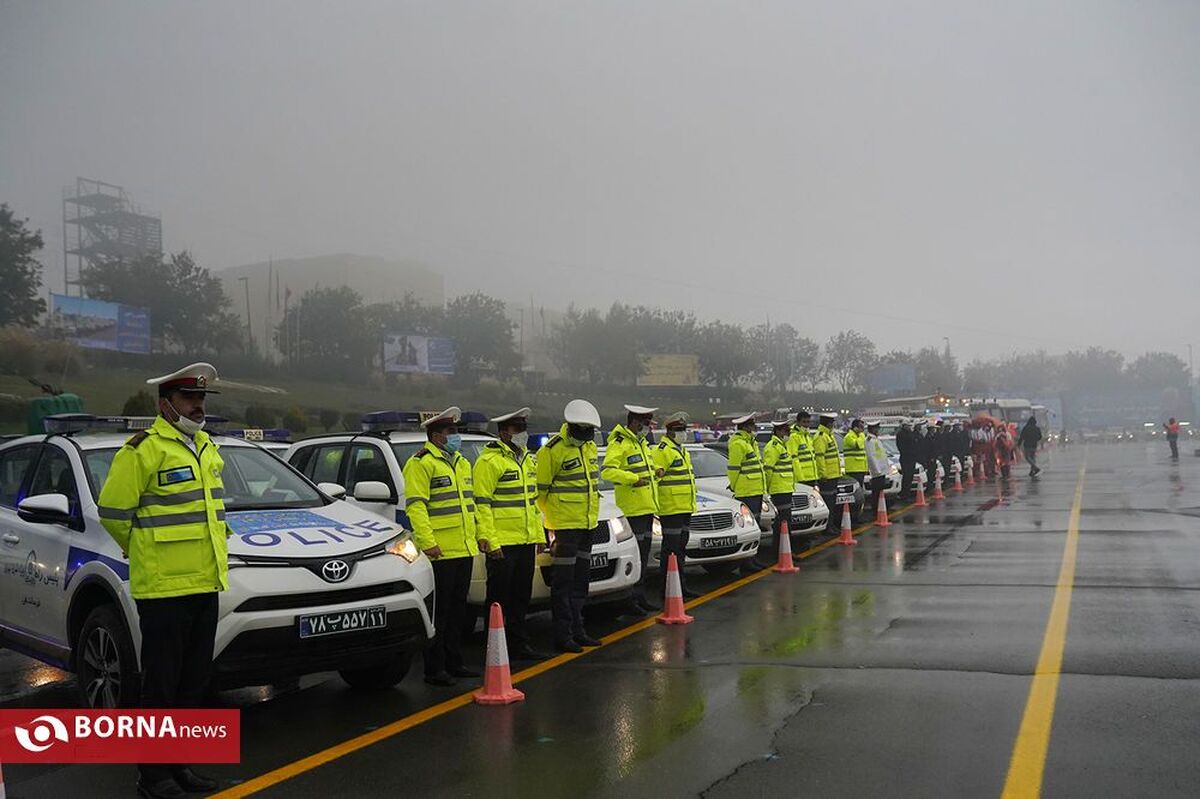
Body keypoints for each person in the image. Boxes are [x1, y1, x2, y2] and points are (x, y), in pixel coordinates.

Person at [98, 363, 227, 799]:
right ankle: (153, 778)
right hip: (164, 590)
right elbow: (114, 513)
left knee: (193, 685)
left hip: (205, 585)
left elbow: (211, 518)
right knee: (161, 688)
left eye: (202, 399)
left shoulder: (206, 447)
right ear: (165, 404)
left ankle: (179, 766)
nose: (198, 406)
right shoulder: (143, 450)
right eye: (190, 398)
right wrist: (147, 552)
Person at [403, 406, 487, 686]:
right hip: (440, 552)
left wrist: (478, 535)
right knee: (439, 612)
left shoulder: (462, 462)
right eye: (451, 432)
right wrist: (428, 543)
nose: (456, 436)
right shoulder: (421, 463)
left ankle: (455, 662)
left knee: (458, 612)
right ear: (436, 435)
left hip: (463, 548)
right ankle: (434, 669)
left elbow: (469, 505)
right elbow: (416, 507)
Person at [474, 407, 548, 661]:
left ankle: (518, 643)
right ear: (505, 432)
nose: (523, 435)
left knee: (520, 597)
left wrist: (539, 536)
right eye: (518, 430)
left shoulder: (528, 459)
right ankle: (494, 646)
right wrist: (490, 541)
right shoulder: (489, 462)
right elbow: (481, 505)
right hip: (503, 543)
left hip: (525, 541)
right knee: (498, 599)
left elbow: (532, 503)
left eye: (524, 429)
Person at [537, 399, 604, 653]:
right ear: (571, 427)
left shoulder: (587, 448)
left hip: (588, 525)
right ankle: (562, 635)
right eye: (583, 431)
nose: (586, 436)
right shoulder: (552, 450)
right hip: (565, 527)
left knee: (581, 582)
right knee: (563, 584)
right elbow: (540, 493)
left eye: (590, 432)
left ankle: (579, 629)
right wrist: (553, 518)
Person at [602, 405, 661, 613]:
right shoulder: (620, 443)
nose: (648, 428)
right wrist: (633, 479)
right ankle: (629, 600)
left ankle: (639, 596)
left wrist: (656, 471)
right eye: (645, 424)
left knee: (643, 555)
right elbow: (608, 471)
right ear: (635, 422)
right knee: (634, 557)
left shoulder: (642, 443)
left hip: (646, 507)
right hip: (632, 509)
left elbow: (645, 470)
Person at [652, 412, 699, 598]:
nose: (683, 433)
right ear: (669, 432)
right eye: (679, 430)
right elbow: (656, 478)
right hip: (670, 508)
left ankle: (680, 585)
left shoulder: (682, 450)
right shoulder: (662, 450)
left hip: (685, 507)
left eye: (684, 429)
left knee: (680, 548)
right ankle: (667, 588)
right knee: (671, 550)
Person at [761, 418, 796, 567]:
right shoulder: (773, 446)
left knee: (786, 522)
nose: (788, 434)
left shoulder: (783, 446)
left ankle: (786, 550)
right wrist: (767, 489)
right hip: (778, 489)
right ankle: (779, 552)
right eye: (786, 431)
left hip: (786, 487)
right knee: (782, 523)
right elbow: (768, 469)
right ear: (779, 431)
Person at [812, 413, 844, 529]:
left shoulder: (829, 435)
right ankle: (828, 527)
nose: (833, 425)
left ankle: (831, 525)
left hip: (833, 474)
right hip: (827, 477)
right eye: (832, 423)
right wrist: (822, 474)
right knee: (828, 503)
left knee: (832, 502)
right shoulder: (821, 437)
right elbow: (819, 457)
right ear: (828, 423)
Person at [788, 410, 818, 488]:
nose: (806, 425)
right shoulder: (793, 437)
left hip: (812, 477)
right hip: (802, 478)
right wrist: (800, 477)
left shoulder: (808, 436)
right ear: (798, 422)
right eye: (804, 422)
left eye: (808, 422)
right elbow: (794, 458)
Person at [865, 421, 890, 516]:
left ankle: (880, 508)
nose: (878, 430)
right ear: (873, 429)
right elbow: (871, 456)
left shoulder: (876, 440)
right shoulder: (869, 440)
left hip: (881, 470)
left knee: (880, 491)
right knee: (876, 492)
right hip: (877, 471)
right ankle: (876, 510)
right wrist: (876, 470)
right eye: (877, 429)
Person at [842, 418, 868, 487]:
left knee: (860, 487)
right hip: (853, 469)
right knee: (856, 487)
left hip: (861, 468)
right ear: (855, 427)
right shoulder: (849, 437)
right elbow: (857, 445)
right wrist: (862, 436)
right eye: (861, 427)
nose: (862, 429)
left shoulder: (859, 436)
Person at [895, 419, 916, 501]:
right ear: (904, 426)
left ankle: (907, 493)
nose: (909, 427)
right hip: (905, 457)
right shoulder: (901, 434)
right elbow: (901, 447)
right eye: (907, 426)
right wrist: (909, 452)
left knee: (910, 476)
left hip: (912, 457)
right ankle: (904, 494)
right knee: (906, 476)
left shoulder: (910, 433)